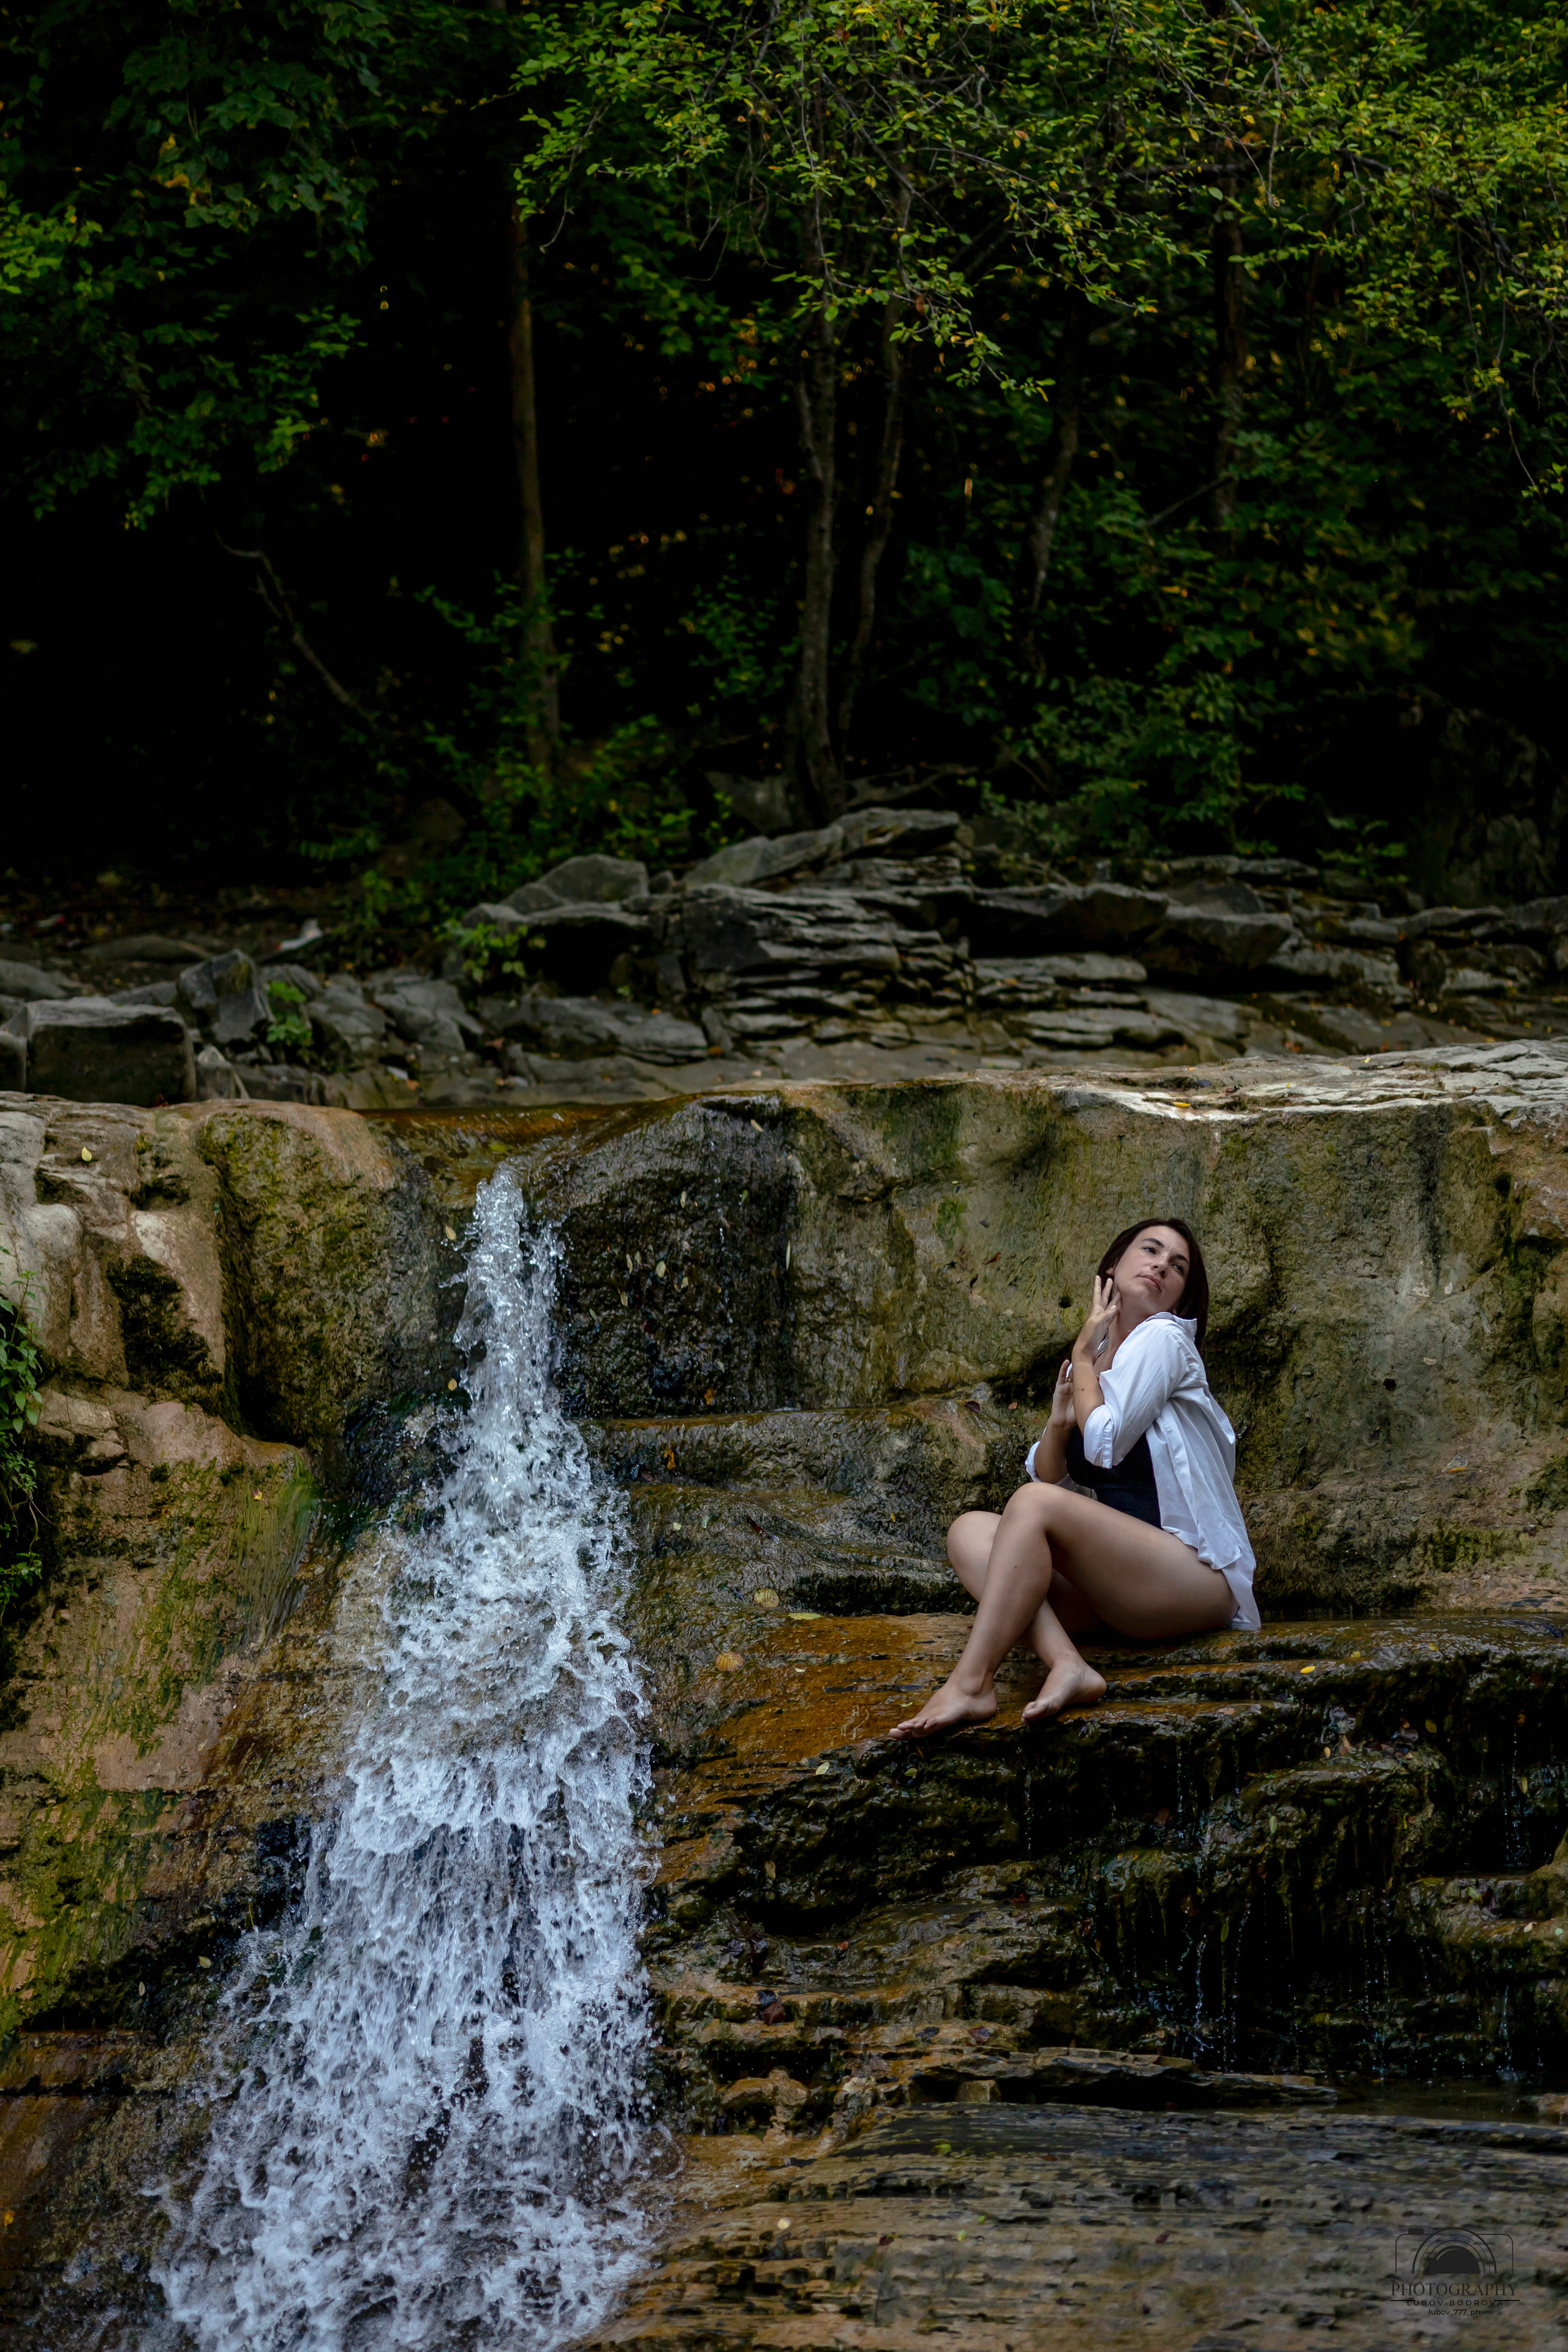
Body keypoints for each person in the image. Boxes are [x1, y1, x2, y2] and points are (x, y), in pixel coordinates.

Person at [889, 1219, 1257, 1740]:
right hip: (1123, 1588)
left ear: (1181, 1294)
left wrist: (1083, 1358)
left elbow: (1103, 1446)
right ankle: (1067, 1663)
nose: (1162, 1266)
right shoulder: (1105, 1352)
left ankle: (972, 1685)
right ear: (1113, 1267)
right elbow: (1049, 1471)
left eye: (1178, 1267)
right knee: (970, 1531)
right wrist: (1062, 1419)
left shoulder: (1166, 1340)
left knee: (1033, 1505)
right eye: (1150, 1250)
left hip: (1195, 1577)